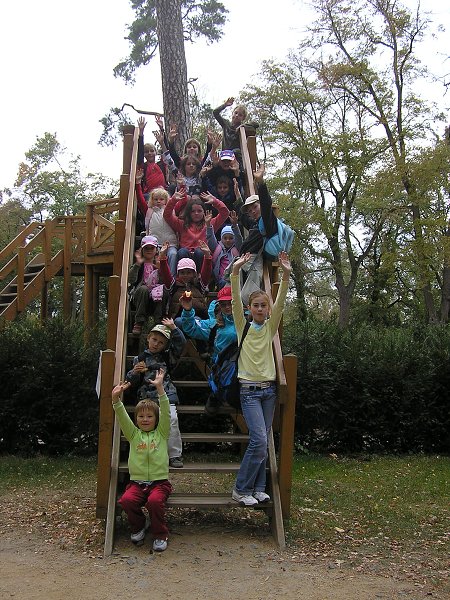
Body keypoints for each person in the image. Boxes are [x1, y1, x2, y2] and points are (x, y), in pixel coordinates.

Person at [230, 251, 292, 507]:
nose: (259, 309)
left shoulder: (269, 328)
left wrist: (286, 274)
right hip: (249, 391)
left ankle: (258, 488)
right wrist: (235, 272)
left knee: (264, 441)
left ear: (268, 310)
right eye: (255, 305)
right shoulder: (242, 326)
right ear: (249, 308)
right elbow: (234, 301)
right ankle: (241, 489)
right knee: (258, 440)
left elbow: (281, 304)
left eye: (263, 306)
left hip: (268, 392)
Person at [112, 368, 172, 552]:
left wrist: (160, 389)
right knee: (126, 500)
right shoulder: (133, 434)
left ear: (156, 419)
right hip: (137, 483)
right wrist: (115, 400)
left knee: (154, 502)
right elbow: (122, 418)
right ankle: (139, 525)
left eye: (149, 416)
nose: (145, 419)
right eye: (141, 416)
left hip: (159, 483)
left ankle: (160, 534)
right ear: (136, 419)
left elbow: (166, 412)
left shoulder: (162, 433)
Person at [125, 321, 185, 469]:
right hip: (147, 397)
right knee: (146, 423)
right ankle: (147, 454)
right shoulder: (139, 358)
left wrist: (174, 328)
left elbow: (181, 344)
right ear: (148, 338)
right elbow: (131, 381)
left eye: (161, 342)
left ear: (165, 345)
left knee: (172, 420)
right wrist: (135, 372)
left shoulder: (168, 357)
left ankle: (174, 455)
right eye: (154, 340)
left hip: (166, 394)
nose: (156, 344)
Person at [180, 285, 237, 414]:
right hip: (223, 365)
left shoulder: (247, 319)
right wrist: (188, 311)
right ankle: (216, 395)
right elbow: (191, 328)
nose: (227, 307)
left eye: (231, 303)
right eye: (223, 304)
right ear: (219, 306)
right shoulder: (214, 325)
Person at [163, 188, 229, 272]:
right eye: (193, 211)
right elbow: (167, 215)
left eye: (199, 211)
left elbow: (225, 213)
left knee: (199, 252)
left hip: (202, 257)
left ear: (204, 212)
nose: (196, 213)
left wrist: (215, 201)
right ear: (188, 213)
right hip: (185, 257)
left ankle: (200, 277)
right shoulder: (182, 224)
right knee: (182, 251)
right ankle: (184, 277)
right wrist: (173, 201)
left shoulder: (209, 223)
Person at [158, 246, 212, 320]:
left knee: (196, 319)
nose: (185, 275)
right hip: (179, 318)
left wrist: (207, 255)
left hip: (197, 318)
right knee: (179, 321)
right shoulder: (174, 286)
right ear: (178, 274)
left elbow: (206, 273)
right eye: (182, 273)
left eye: (189, 272)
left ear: (194, 274)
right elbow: (165, 274)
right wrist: (162, 257)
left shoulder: (199, 285)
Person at [135, 185, 178, 275]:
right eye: (155, 199)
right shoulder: (149, 211)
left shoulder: (170, 211)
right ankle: (152, 278)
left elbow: (182, 202)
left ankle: (171, 278)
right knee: (153, 258)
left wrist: (181, 185)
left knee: (173, 254)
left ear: (166, 200)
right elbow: (140, 200)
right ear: (151, 200)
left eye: (161, 199)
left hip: (170, 243)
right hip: (155, 245)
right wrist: (138, 184)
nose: (158, 201)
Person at [128, 235, 161, 336]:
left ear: (156, 250)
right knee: (144, 289)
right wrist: (137, 264)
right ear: (142, 250)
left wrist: (161, 269)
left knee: (162, 291)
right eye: (146, 248)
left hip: (155, 298)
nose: (149, 250)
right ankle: (139, 322)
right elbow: (131, 280)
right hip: (141, 297)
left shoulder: (159, 263)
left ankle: (159, 322)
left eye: (152, 248)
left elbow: (166, 281)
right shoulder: (139, 264)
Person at [206, 214, 242, 290]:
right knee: (223, 282)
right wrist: (208, 225)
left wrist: (235, 226)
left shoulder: (237, 248)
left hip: (234, 278)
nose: (228, 240)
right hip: (221, 279)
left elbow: (238, 237)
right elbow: (210, 238)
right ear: (221, 239)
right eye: (225, 238)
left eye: (231, 238)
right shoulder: (217, 248)